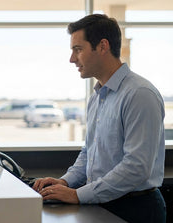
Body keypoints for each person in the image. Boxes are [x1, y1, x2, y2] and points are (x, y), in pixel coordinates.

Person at [32, 14, 166, 222]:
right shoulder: (97, 97)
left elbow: (136, 167)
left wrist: (78, 195)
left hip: (135, 209)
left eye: (78, 49)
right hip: (101, 202)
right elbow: (89, 153)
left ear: (103, 46)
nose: (72, 59)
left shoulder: (139, 94)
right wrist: (65, 183)